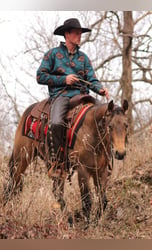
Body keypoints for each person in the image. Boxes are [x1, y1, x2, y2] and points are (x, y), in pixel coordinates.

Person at [36, 18, 109, 178]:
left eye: (80, 33)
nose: (79, 36)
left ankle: (104, 161)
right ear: (67, 34)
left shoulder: (84, 58)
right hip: (61, 96)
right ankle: (57, 163)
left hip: (82, 96)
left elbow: (91, 79)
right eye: (76, 33)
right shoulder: (52, 54)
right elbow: (40, 76)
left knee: (104, 116)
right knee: (55, 123)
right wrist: (64, 80)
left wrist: (100, 89)